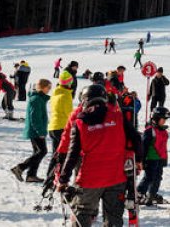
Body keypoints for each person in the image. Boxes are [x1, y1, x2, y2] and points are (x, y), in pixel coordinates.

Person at [57, 84, 142, 227]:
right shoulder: (118, 116)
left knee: (83, 214)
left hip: (89, 180)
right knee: (113, 217)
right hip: (116, 178)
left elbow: (72, 154)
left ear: (84, 100)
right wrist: (139, 160)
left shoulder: (79, 122)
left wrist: (63, 179)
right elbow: (136, 138)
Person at [11, 78, 51, 182]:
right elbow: (35, 118)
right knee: (42, 151)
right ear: (42, 87)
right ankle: (20, 168)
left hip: (37, 130)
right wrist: (40, 131)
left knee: (37, 152)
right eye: (48, 87)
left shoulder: (39, 98)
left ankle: (31, 175)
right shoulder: (36, 99)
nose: (49, 89)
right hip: (35, 131)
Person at [138, 107, 170, 205]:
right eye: (163, 119)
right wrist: (142, 161)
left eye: (165, 119)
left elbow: (163, 147)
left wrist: (164, 159)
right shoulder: (149, 131)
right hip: (150, 159)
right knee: (149, 177)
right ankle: (139, 194)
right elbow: (143, 147)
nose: (164, 121)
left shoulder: (163, 131)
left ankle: (151, 195)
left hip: (159, 159)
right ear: (156, 118)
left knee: (158, 178)